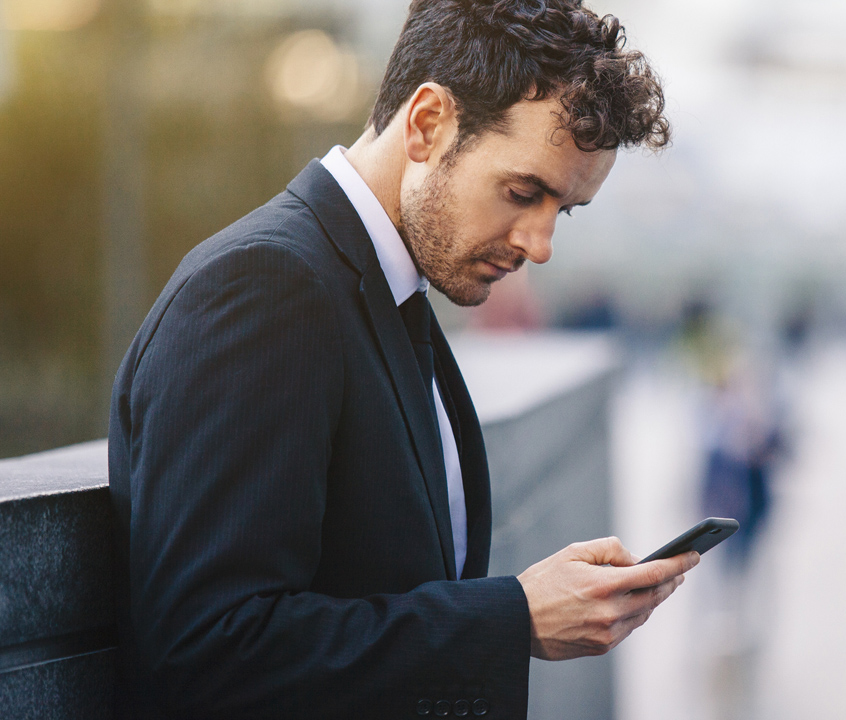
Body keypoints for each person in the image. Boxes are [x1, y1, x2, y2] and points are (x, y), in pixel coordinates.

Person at [106, 2, 698, 718]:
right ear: (426, 124)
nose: (540, 245)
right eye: (523, 192)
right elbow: (208, 651)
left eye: (562, 211)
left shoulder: (384, 287)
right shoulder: (264, 289)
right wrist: (510, 618)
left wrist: (524, 608)